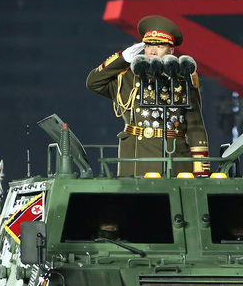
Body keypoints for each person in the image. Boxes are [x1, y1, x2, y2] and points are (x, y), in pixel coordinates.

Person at [86, 15, 209, 177]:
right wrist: (122, 58)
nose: (152, 51)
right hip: (135, 159)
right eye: (149, 45)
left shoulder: (183, 79)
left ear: (171, 51)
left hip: (173, 159)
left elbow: (195, 126)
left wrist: (201, 170)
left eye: (159, 46)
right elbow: (94, 82)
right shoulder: (127, 77)